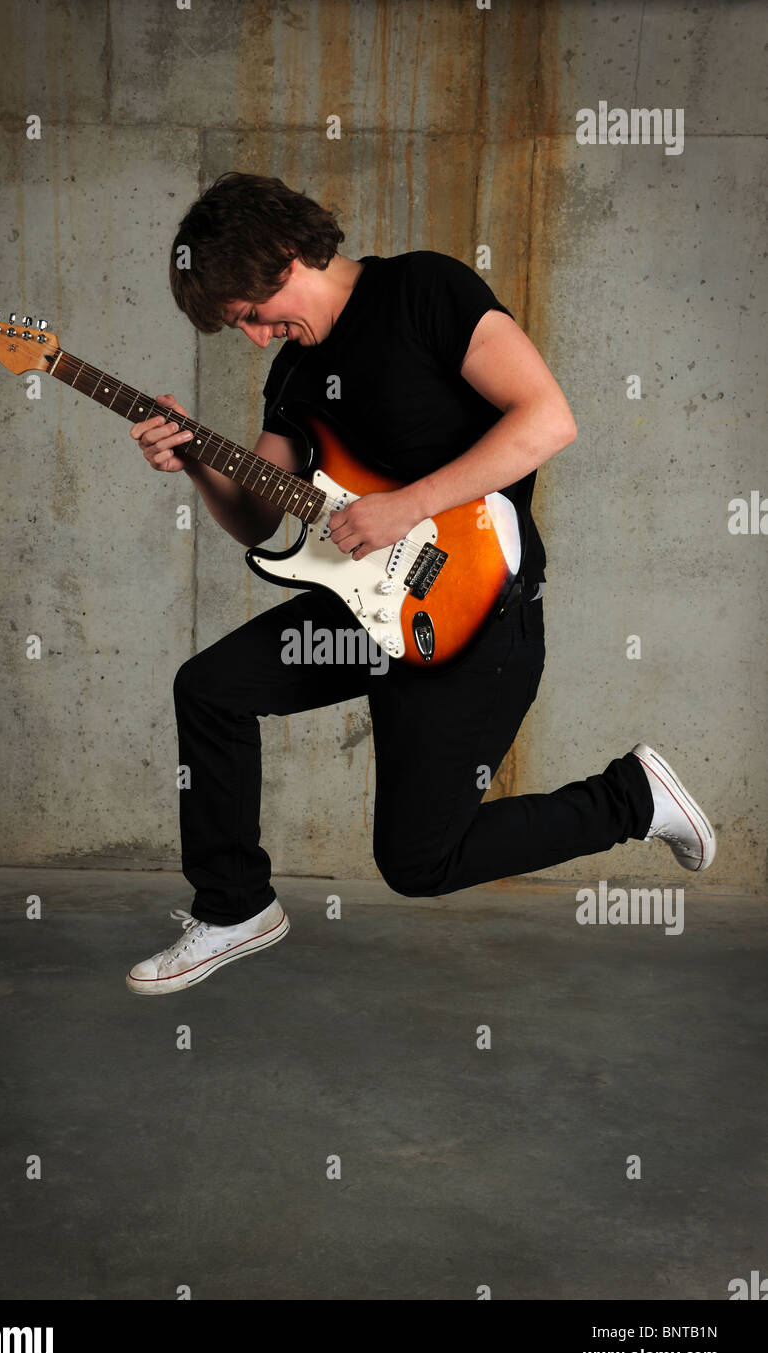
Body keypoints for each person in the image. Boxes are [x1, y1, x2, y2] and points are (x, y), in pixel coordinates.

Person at [125, 172, 715, 997]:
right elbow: (264, 524)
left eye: (253, 315)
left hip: (475, 620)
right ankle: (234, 908)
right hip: (362, 617)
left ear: (286, 256)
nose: (258, 339)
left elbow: (548, 418)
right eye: (242, 329)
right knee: (212, 688)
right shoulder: (294, 377)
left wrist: (407, 505)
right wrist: (195, 460)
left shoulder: (424, 289)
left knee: (418, 862)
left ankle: (630, 798)